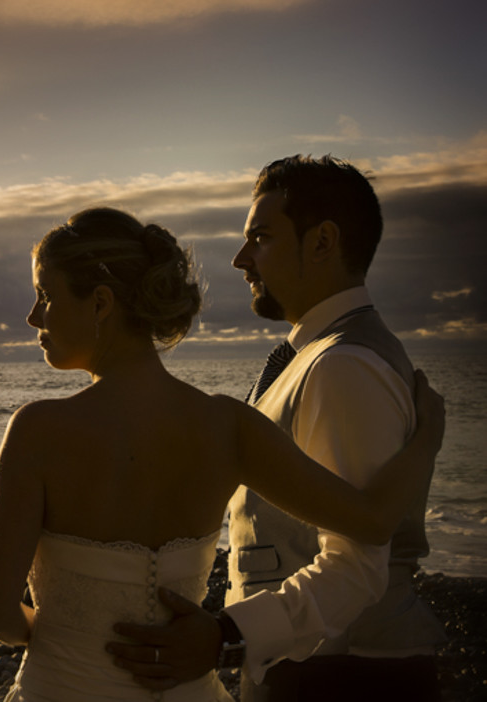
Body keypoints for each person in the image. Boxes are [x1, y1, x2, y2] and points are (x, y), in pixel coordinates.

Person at [0, 205, 444, 701]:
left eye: (46, 294)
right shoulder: (228, 425)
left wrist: (74, 641)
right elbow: (371, 521)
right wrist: (426, 442)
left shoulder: (38, 430)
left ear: (101, 302)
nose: (32, 316)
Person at [107, 155, 447, 701]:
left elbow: (357, 563)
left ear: (323, 241)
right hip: (316, 663)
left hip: (344, 676)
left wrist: (226, 636)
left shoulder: (343, 366)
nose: (242, 258)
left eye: (260, 237)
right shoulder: (316, 356)